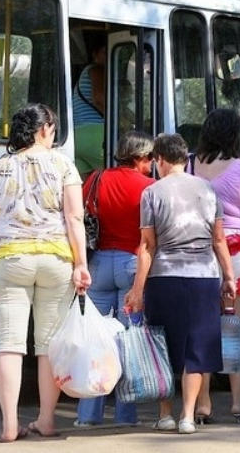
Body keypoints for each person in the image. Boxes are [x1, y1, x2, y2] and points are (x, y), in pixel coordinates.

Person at [0, 103, 91, 443]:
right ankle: (46, 420)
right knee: (48, 345)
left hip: (9, 261)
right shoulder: (63, 165)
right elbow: (74, 219)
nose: (53, 135)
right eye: (52, 129)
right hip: (55, 261)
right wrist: (81, 264)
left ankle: (9, 426)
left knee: (9, 344)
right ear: (44, 130)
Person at [124, 133, 236, 435]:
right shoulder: (208, 190)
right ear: (185, 160)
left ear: (159, 160)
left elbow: (147, 246)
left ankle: (165, 415)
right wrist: (229, 277)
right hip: (203, 278)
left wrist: (137, 290)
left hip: (164, 278)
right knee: (196, 347)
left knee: (162, 345)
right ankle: (187, 416)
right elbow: (219, 240)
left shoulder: (152, 192)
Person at [75, 131, 155, 427]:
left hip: (98, 263)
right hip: (132, 265)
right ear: (138, 157)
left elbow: (77, 216)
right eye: (148, 158)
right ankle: (125, 416)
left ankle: (87, 416)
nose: (151, 164)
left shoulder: (96, 179)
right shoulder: (149, 187)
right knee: (128, 343)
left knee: (94, 341)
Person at [191, 109, 240, 423]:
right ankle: (237, 403)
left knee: (203, 328)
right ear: (236, 134)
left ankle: (203, 403)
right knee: (234, 329)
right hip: (235, 248)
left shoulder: (190, 163)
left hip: (198, 247)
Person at [73, 40, 106, 175]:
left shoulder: (84, 74)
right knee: (118, 173)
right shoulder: (96, 69)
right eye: (105, 52)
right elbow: (99, 99)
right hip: (95, 135)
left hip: (78, 137)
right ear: (95, 54)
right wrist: (118, 121)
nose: (108, 57)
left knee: (86, 187)